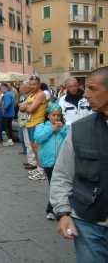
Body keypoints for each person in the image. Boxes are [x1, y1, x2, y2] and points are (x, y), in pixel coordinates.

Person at [50, 67, 108, 262]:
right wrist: (63, 212)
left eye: (92, 89)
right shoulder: (80, 129)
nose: (86, 95)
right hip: (88, 223)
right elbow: (62, 174)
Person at [33, 104, 69, 220]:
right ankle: (51, 209)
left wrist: (61, 129)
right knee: (53, 185)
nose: (56, 118)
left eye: (58, 115)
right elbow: (38, 138)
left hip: (62, 161)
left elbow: (69, 138)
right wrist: (51, 129)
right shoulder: (43, 126)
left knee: (61, 184)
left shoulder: (65, 127)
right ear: (48, 115)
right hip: (48, 161)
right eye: (53, 115)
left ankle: (57, 208)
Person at [19, 75, 47, 179]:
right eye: (30, 84)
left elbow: (31, 109)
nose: (32, 86)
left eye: (34, 84)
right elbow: (21, 107)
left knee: (37, 148)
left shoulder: (40, 94)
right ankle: (39, 168)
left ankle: (41, 171)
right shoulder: (31, 95)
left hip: (37, 124)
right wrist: (27, 106)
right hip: (30, 123)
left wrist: (26, 106)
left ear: (39, 84)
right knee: (34, 148)